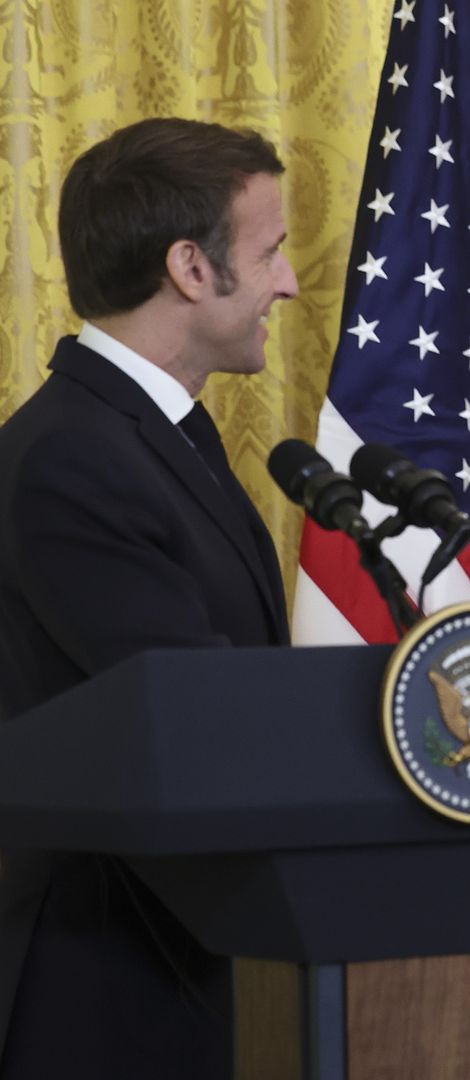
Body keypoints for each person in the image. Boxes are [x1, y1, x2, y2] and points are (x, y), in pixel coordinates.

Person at [0, 118, 298, 1078]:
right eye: (271, 252)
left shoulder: (150, 435)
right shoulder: (70, 457)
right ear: (190, 268)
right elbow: (185, 706)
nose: (287, 284)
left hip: (185, 948)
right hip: (105, 978)